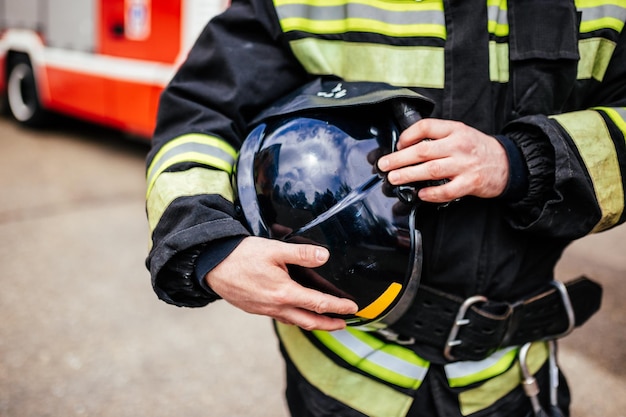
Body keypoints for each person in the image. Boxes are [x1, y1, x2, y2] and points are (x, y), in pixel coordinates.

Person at [145, 1, 625, 416]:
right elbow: (200, 115)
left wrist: (520, 162)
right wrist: (208, 243)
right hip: (340, 382)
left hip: (515, 379)